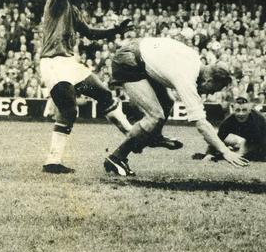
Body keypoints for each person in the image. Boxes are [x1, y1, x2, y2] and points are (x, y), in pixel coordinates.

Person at [37, 0, 138, 174]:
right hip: (54, 62)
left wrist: (115, 30)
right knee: (69, 109)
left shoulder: (73, 10)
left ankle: (132, 136)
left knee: (104, 95)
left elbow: (90, 33)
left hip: (69, 63)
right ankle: (52, 161)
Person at [102, 36, 244, 176]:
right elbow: (201, 124)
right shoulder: (187, 78)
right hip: (129, 60)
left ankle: (154, 136)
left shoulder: (195, 59)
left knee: (167, 102)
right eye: (213, 89)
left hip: (139, 51)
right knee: (154, 116)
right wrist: (225, 151)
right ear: (208, 80)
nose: (210, 93)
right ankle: (116, 158)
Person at [192, 93, 266, 164]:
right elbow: (216, 139)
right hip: (252, 137)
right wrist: (208, 155)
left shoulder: (258, 121)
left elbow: (259, 147)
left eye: (244, 110)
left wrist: (233, 154)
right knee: (243, 152)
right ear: (232, 109)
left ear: (250, 109)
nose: (240, 114)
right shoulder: (228, 122)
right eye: (238, 110)